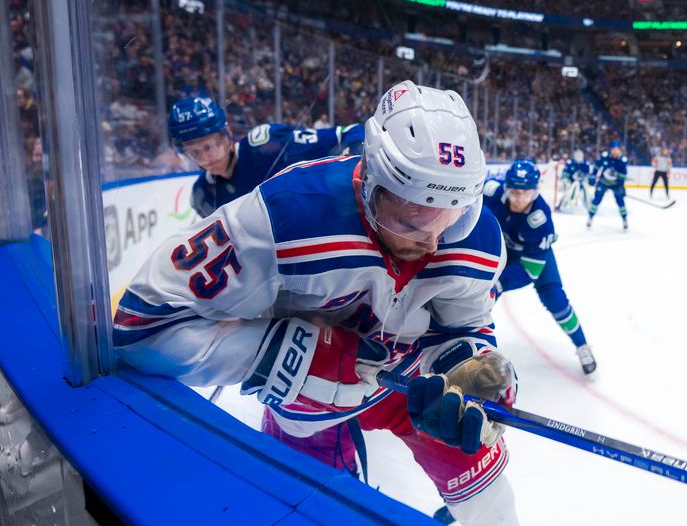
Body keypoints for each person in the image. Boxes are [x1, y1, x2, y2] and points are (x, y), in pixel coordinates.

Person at [114, 81, 520, 526]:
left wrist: (474, 366)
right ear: (372, 178)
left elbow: (468, 327)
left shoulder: (478, 237)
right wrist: (281, 359)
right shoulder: (284, 216)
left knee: (493, 509)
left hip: (418, 390)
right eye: (413, 217)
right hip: (309, 404)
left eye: (452, 215)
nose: (431, 242)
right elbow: (140, 324)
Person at [484, 160, 597, 375]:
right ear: (506, 187)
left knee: (556, 300)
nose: (519, 199)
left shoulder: (541, 220)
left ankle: (582, 346)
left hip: (532, 258)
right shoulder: (490, 192)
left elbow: (529, 270)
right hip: (501, 251)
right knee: (479, 297)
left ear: (535, 192)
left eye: (525, 193)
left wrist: (499, 283)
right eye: (514, 192)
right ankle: (467, 340)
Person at [168, 96, 365, 218]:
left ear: (226, 134)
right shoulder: (202, 194)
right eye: (194, 152)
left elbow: (349, 133)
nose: (205, 158)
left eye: (210, 146)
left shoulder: (265, 145)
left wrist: (351, 164)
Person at [587, 140, 628, 230]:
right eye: (613, 149)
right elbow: (596, 167)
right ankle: (590, 217)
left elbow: (623, 175)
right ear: (611, 149)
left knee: (620, 201)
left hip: (616, 184)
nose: (615, 151)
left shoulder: (622, 160)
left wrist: (621, 186)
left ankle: (624, 219)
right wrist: (593, 177)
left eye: (617, 149)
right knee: (596, 200)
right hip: (603, 182)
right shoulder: (605, 157)